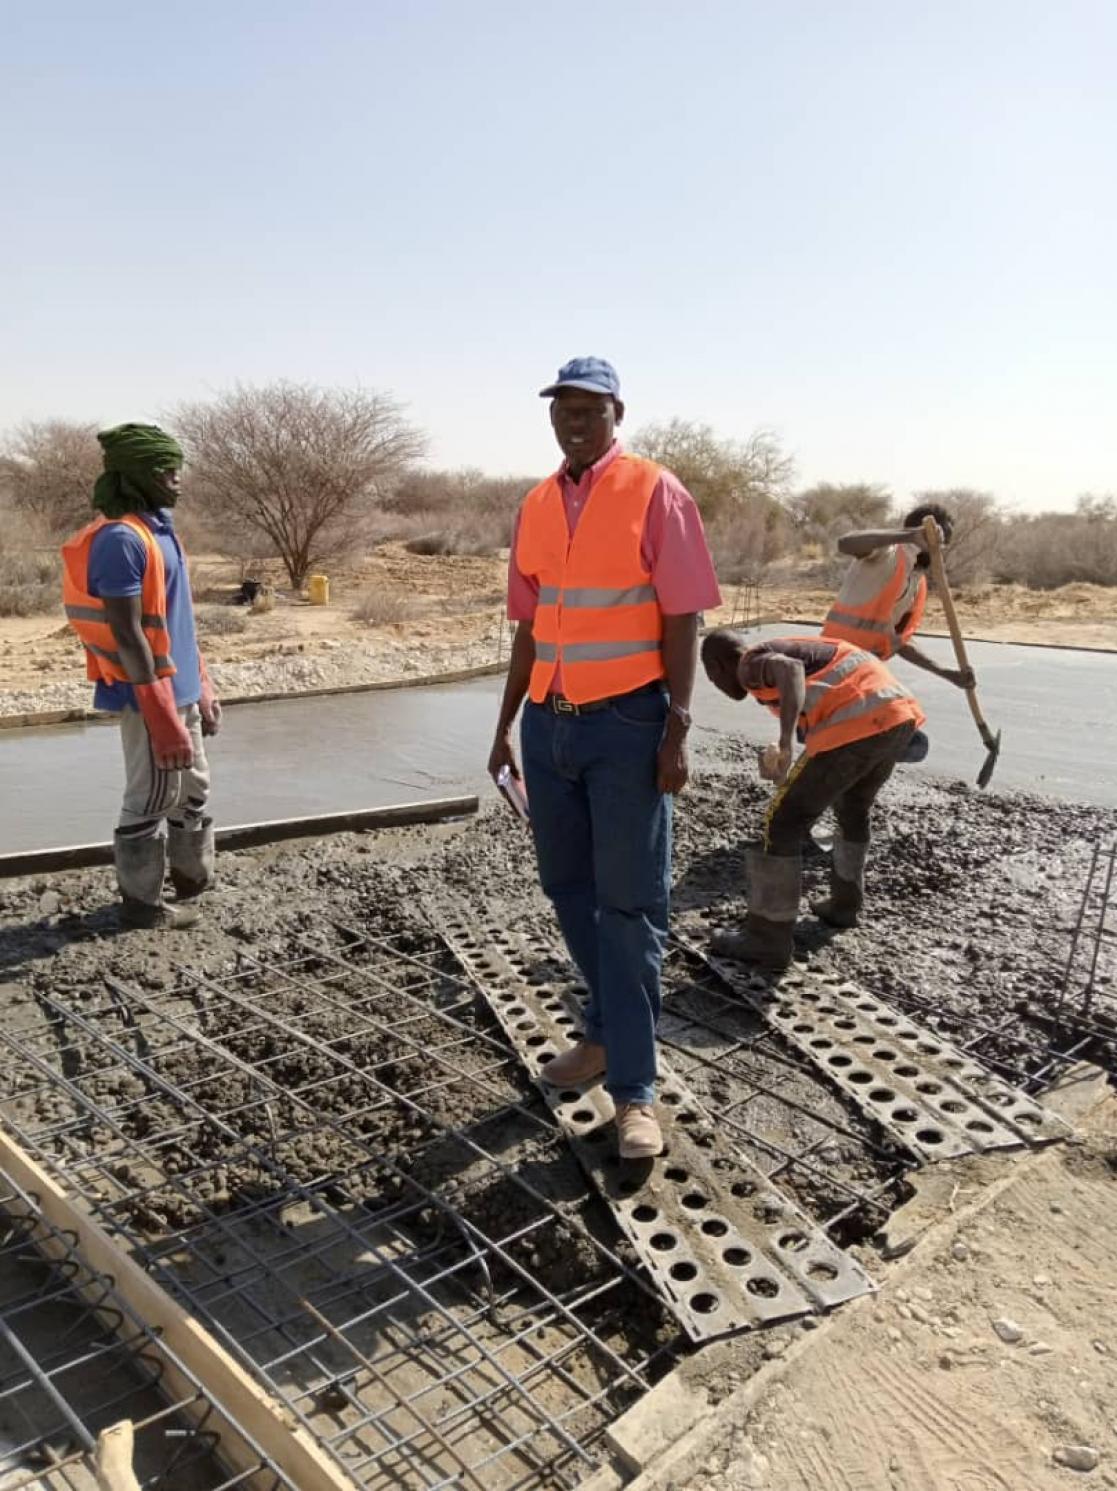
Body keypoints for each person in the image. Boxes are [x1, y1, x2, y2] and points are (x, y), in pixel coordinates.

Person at [488, 358, 721, 1159]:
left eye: (589, 409)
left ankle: (634, 1092)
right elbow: (530, 624)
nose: (573, 421)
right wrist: (504, 722)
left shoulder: (657, 490)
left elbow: (683, 616)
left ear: (616, 411)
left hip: (628, 723)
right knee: (567, 887)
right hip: (550, 726)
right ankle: (602, 1033)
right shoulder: (537, 502)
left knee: (629, 908)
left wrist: (676, 728)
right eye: (562, 409)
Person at [61, 424, 221, 929]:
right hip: (149, 696)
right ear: (138, 476)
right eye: (165, 471)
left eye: (176, 470)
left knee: (193, 789)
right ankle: (143, 907)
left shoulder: (162, 531)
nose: (177, 480)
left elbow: (178, 618)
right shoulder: (120, 540)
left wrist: (204, 685)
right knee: (151, 795)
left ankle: (194, 882)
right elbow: (129, 638)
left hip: (182, 689)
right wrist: (162, 717)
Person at [700, 630, 925, 970]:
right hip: (897, 717)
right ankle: (844, 905)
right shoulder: (796, 647)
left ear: (719, 664)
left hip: (862, 723)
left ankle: (767, 938)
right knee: (853, 807)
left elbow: (788, 671)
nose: (716, 684)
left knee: (782, 822)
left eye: (711, 675)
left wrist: (785, 742)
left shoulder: (750, 664)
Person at [821, 502, 972, 762]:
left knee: (910, 742)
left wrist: (947, 674)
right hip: (835, 665)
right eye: (937, 539)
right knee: (901, 739)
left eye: (943, 542)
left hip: (865, 671)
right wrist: (909, 536)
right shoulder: (888, 553)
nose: (940, 548)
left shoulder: (915, 579)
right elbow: (846, 543)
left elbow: (898, 642)